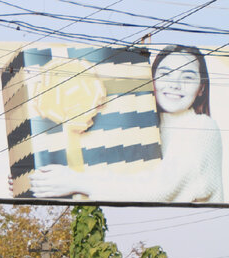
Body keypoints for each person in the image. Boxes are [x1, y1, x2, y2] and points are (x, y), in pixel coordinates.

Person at [30, 45, 223, 203]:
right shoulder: (143, 130)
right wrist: (33, 179)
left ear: (201, 88)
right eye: (165, 74)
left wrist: (76, 181)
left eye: (188, 77)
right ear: (151, 80)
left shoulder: (202, 128)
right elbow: (117, 181)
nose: (175, 84)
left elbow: (160, 190)